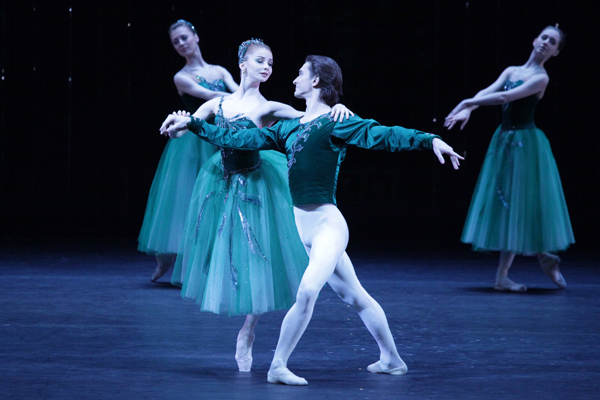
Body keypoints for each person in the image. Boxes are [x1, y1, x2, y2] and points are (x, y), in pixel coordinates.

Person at [161, 55, 463, 385]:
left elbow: (384, 134)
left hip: (326, 225)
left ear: (316, 81)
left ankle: (278, 365)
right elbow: (238, 140)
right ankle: (392, 359)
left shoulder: (336, 122)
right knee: (355, 296)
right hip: (297, 227)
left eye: (300, 74)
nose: (293, 80)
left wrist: (429, 139)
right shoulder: (288, 128)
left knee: (307, 291)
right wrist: (193, 124)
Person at [169, 40, 354, 372]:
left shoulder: (268, 107)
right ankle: (248, 330)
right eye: (260, 60)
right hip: (220, 183)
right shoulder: (218, 103)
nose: (267, 67)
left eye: (270, 62)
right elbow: (186, 127)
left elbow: (309, 117)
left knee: (259, 258)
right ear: (242, 63)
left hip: (256, 186)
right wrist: (175, 125)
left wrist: (337, 110)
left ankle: (249, 330)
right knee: (229, 257)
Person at [444, 25, 574, 292]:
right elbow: (490, 90)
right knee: (508, 207)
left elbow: (505, 96)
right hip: (504, 141)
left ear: (555, 52)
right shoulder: (511, 71)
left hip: (527, 146)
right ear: (535, 38)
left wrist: (467, 102)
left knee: (522, 205)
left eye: (552, 42)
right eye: (544, 37)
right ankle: (531, 263)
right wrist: (470, 107)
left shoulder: (541, 78)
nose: (546, 43)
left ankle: (531, 262)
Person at [138, 20, 238, 282]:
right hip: (192, 144)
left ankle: (208, 266)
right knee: (183, 202)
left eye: (184, 37)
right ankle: (167, 261)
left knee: (216, 201)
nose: (181, 44)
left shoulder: (220, 70)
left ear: (196, 36)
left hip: (219, 139)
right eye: (175, 42)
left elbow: (240, 93)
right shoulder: (181, 77)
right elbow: (211, 96)